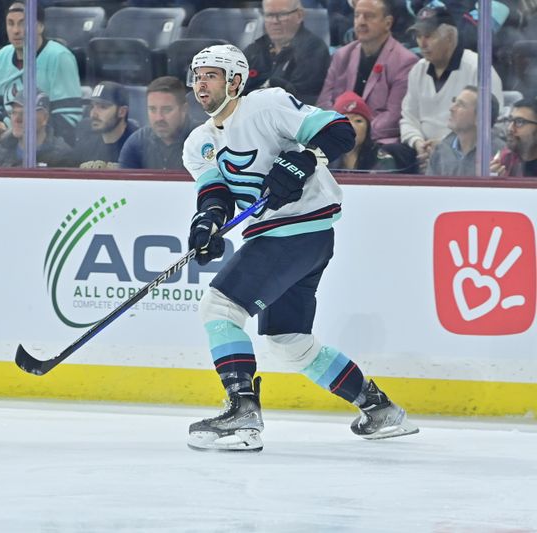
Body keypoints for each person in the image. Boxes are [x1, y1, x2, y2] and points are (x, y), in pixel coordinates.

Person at [182, 45, 419, 452]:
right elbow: (215, 195)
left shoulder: (266, 106)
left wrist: (300, 161)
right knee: (287, 339)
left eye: (211, 75)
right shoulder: (198, 142)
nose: (201, 83)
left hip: (297, 230)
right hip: (285, 237)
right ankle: (379, 409)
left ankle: (242, 413)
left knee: (220, 308)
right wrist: (206, 225)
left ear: (235, 81)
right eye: (197, 75)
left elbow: (340, 130)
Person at [399, 4, 503, 172]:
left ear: (449, 37)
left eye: (429, 36)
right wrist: (418, 143)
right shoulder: (417, 69)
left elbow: (492, 122)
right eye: (418, 36)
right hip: (420, 153)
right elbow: (408, 117)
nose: (422, 43)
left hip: (465, 152)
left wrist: (444, 146)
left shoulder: (478, 68)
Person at [0, 1, 83, 147]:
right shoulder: (1, 57)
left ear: (40, 27)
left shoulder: (59, 57)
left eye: (23, 23)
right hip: (7, 143)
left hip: (46, 145)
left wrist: (22, 132)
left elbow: (68, 118)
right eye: (11, 23)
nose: (16, 30)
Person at [317, 0, 418, 144]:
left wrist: (357, 133)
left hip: (377, 142)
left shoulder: (405, 62)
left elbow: (394, 117)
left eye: (369, 16)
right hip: (337, 137)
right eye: (357, 15)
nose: (361, 22)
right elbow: (324, 102)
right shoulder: (342, 55)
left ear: (388, 23)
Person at [243, 0, 331, 104]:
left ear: (299, 15)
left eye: (282, 14)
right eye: (269, 15)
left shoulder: (314, 50)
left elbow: (300, 99)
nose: (275, 21)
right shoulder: (255, 49)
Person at [118, 76, 193, 170]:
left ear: (184, 110)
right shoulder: (137, 143)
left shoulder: (204, 139)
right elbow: (125, 183)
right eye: (152, 109)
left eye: (166, 109)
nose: (159, 118)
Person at [427, 86, 503, 176]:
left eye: (460, 105)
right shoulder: (441, 150)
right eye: (454, 101)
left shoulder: (501, 153)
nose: (451, 109)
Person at [0, 90, 76, 167]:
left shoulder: (62, 157)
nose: (17, 119)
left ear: (44, 118)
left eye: (25, 113)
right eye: (13, 113)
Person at [328, 91, 407, 172]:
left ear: (368, 128)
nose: (352, 126)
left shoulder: (383, 160)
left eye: (358, 121)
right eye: (345, 121)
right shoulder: (322, 158)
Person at [75, 81, 139, 169]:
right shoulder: (85, 140)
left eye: (103, 107)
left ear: (122, 112)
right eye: (92, 106)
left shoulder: (138, 145)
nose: (93, 114)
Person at [491, 97, 537, 177]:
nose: (510, 128)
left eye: (519, 122)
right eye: (510, 120)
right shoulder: (504, 161)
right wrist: (494, 180)